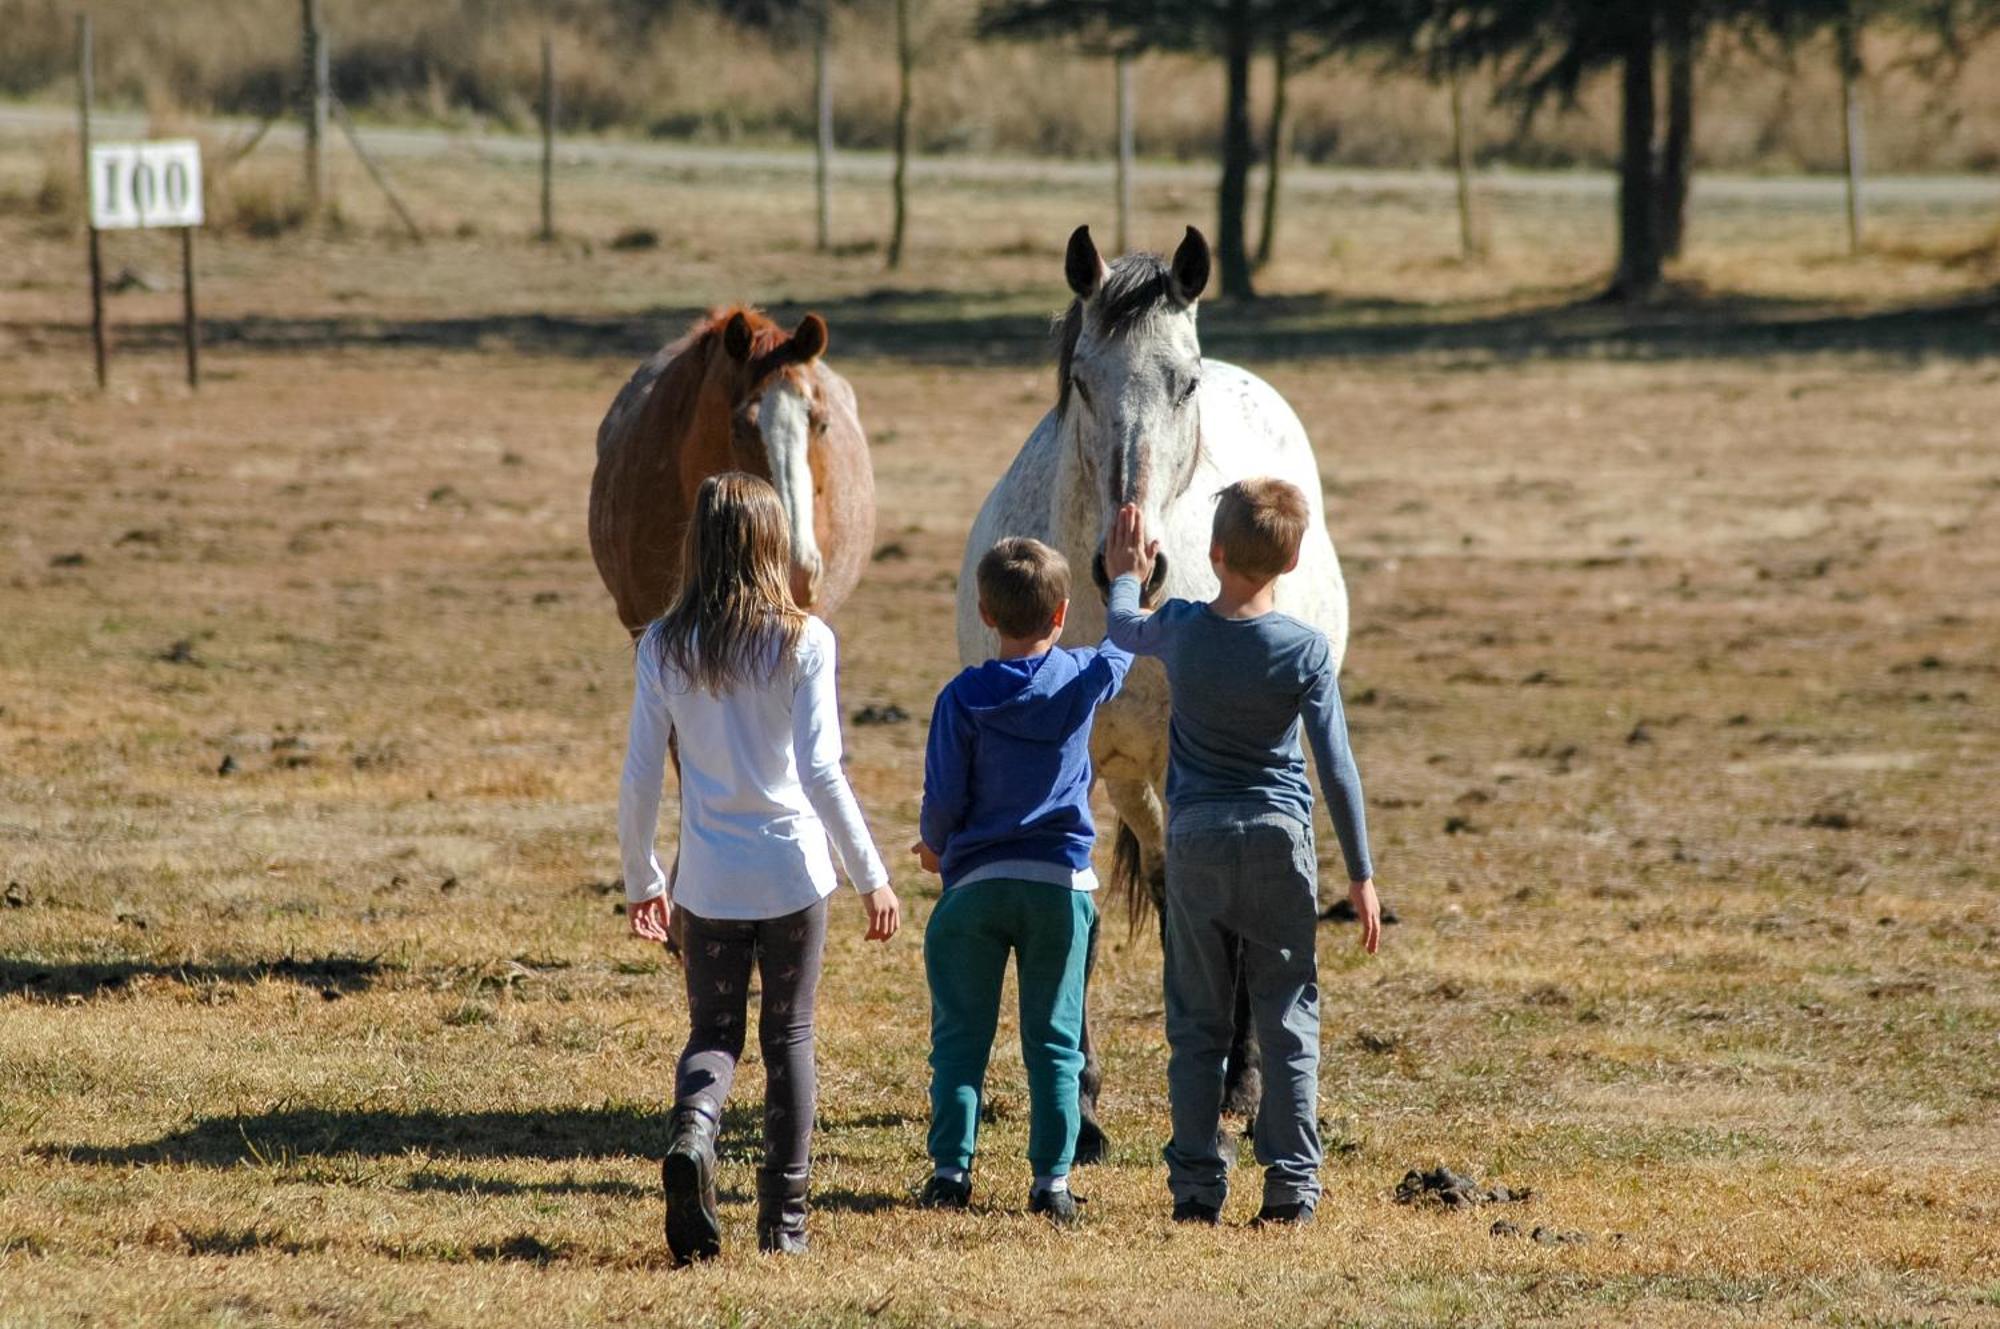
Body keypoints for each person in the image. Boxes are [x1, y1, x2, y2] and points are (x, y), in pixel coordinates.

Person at [618, 471, 900, 1265]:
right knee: (790, 1039)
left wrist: (644, 878)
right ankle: (785, 1224)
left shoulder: (664, 645)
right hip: (792, 877)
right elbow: (821, 770)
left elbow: (641, 773)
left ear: (696, 547)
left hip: (706, 882)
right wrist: (871, 873)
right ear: (775, 545)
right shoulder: (806, 640)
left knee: (713, 1032)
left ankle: (695, 1131)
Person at [1102, 479, 1381, 1227]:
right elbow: (1338, 768)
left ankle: (1195, 1187)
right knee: (1288, 1012)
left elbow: (1124, 627)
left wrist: (1127, 568)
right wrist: (1360, 872)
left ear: (1214, 552)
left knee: (1196, 1020)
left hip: (1193, 840)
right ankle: (1291, 1186)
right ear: (1291, 564)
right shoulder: (1305, 650)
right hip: (1277, 843)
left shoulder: (1185, 628)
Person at [910, 537, 1131, 1226]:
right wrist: (1126, 577)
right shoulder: (1082, 678)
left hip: (975, 884)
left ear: (983, 611)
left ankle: (951, 1170)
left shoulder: (961, 697)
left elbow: (944, 797)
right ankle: (1052, 1180)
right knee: (1056, 1038)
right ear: (1062, 612)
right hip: (1060, 887)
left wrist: (934, 843)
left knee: (960, 1036)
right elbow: (1123, 643)